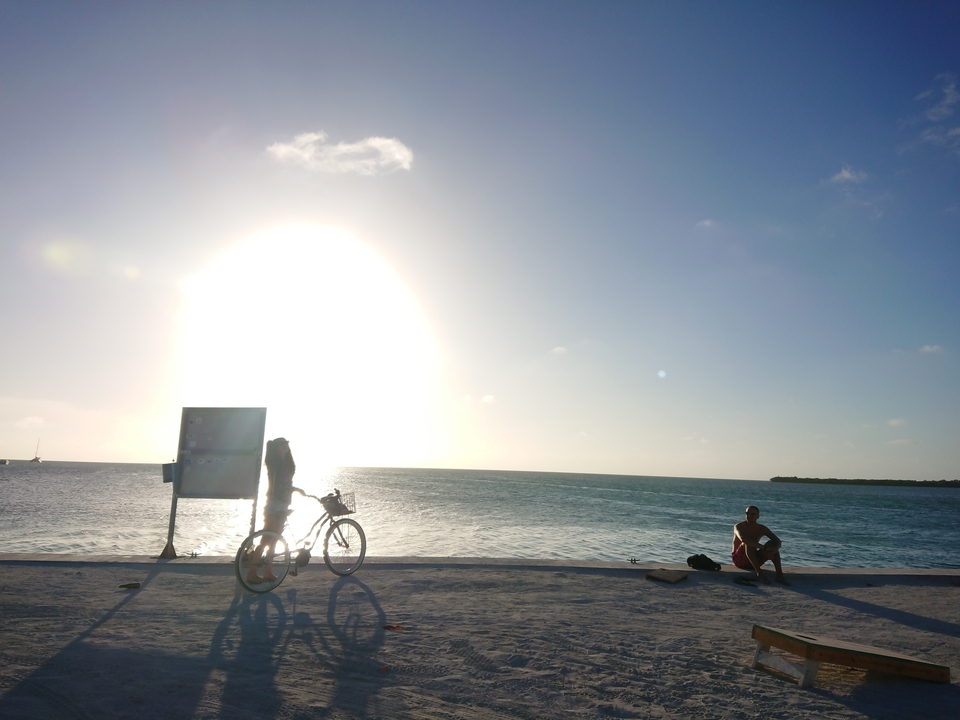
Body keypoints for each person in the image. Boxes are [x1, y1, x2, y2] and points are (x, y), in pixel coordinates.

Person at [246, 437, 299, 584]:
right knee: (266, 539)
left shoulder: (286, 463)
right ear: (276, 447)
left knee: (274, 540)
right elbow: (278, 485)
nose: (285, 446)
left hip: (283, 504)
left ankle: (267, 572)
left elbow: (285, 484)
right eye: (282, 444)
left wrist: (295, 489)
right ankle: (252, 572)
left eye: (286, 443)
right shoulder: (274, 463)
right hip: (274, 504)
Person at [732, 505, 790, 585]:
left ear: (758, 516)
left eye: (752, 514)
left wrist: (773, 548)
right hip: (739, 560)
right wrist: (763, 548)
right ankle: (759, 574)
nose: (749, 516)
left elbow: (777, 541)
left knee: (772, 545)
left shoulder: (761, 528)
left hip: (754, 559)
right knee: (748, 543)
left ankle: (779, 575)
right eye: (747, 513)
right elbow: (743, 539)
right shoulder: (739, 526)